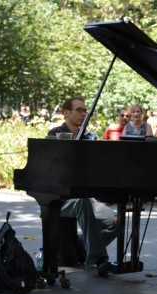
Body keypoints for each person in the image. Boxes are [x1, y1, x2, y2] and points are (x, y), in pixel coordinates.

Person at [47, 96, 116, 276]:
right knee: (81, 202)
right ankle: (100, 258)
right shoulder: (54, 135)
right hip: (62, 198)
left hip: (88, 198)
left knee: (119, 222)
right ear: (66, 113)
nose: (84, 114)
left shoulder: (90, 137)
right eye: (79, 110)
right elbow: (49, 167)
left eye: (85, 111)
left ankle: (83, 247)